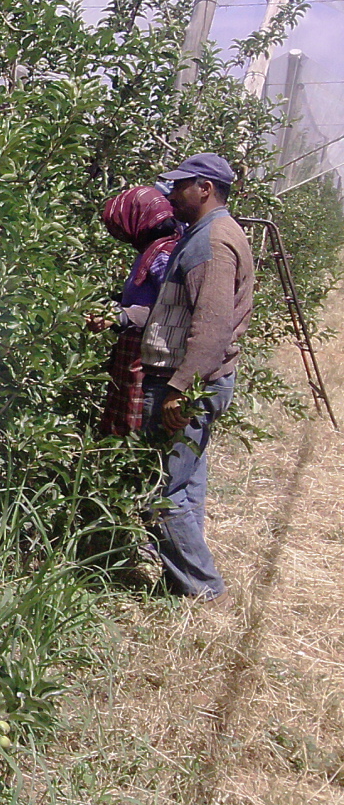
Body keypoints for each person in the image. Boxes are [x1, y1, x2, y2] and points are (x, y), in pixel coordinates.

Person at [139, 153, 253, 605]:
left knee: (161, 491)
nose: (171, 194)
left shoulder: (213, 242)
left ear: (204, 188)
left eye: (180, 185)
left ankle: (204, 589)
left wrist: (179, 389)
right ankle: (186, 585)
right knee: (185, 484)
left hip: (190, 383)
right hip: (198, 380)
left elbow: (211, 327)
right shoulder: (207, 234)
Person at [95, 186, 181, 437]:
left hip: (147, 353)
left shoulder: (162, 256)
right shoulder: (154, 251)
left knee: (134, 424)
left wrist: (122, 316)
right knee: (123, 417)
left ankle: (132, 466)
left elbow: (168, 307)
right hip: (137, 348)